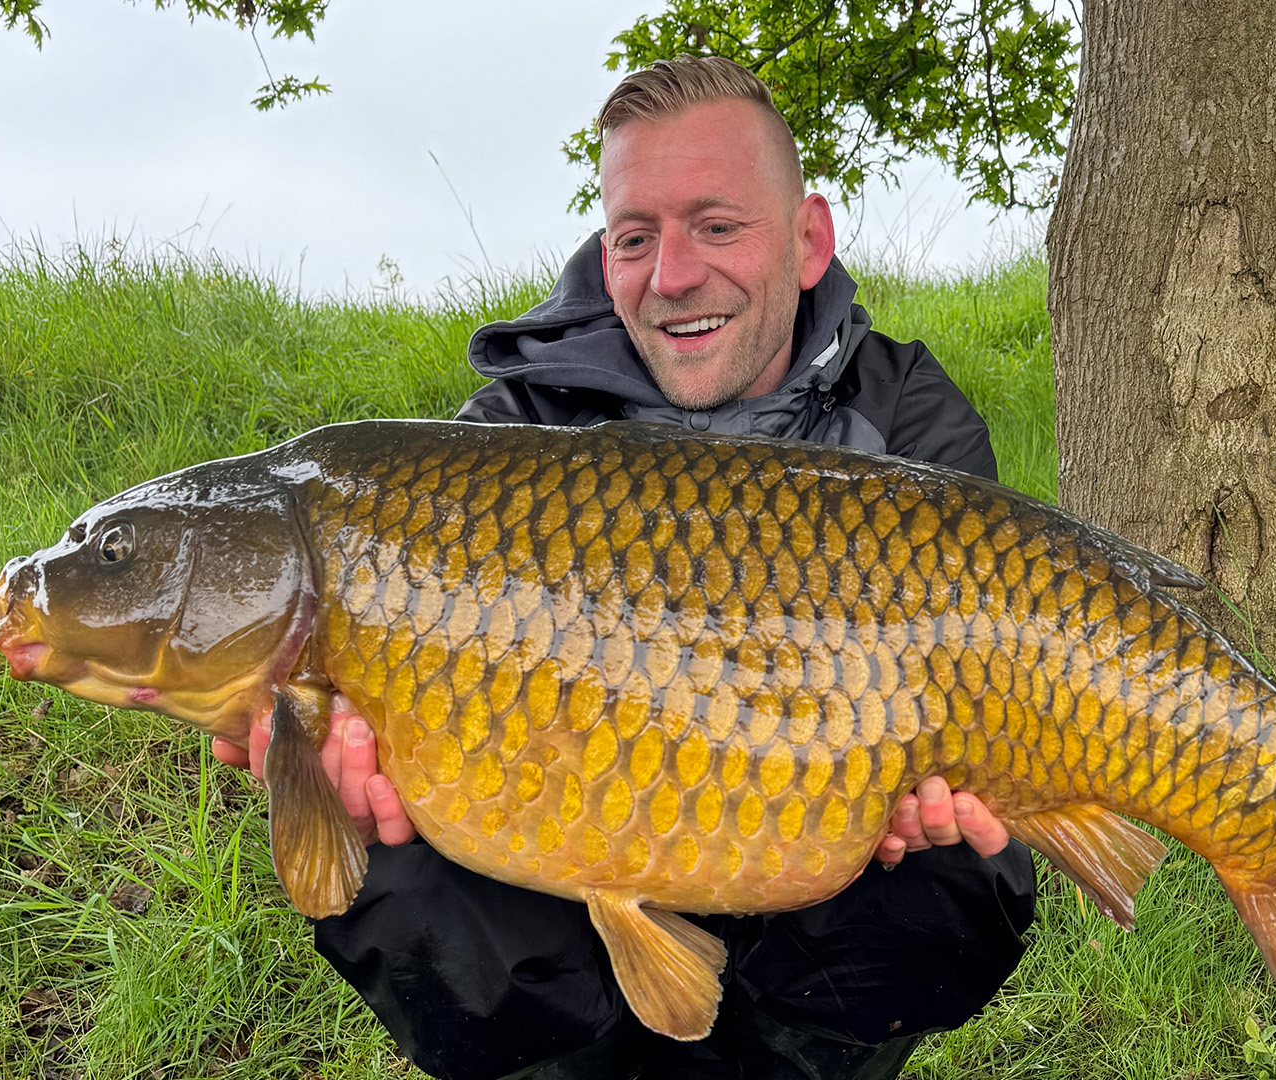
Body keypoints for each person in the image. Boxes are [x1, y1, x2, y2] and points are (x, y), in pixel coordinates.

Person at [213, 55, 1036, 1080]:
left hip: (822, 934)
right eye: (635, 237)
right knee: (391, 844)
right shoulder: (505, 442)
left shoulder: (905, 420)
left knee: (962, 860)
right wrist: (355, 806)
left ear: (809, 241)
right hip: (553, 970)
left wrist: (930, 815)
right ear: (605, 258)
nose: (672, 275)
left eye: (717, 226)